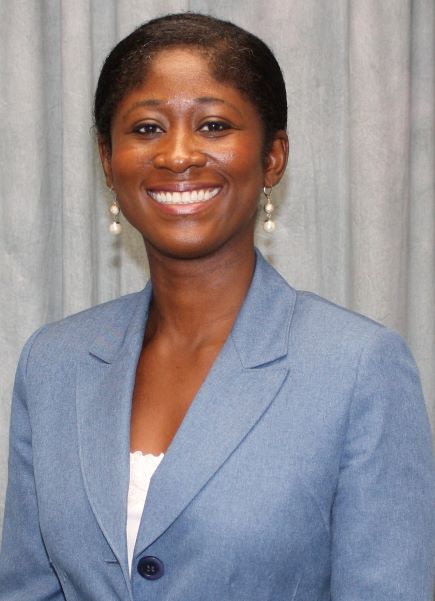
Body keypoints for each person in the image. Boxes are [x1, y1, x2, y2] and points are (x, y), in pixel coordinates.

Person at [0, 12, 434, 601]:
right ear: (107, 159)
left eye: (213, 125)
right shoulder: (53, 362)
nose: (178, 155)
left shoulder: (359, 368)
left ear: (273, 157)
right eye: (148, 128)